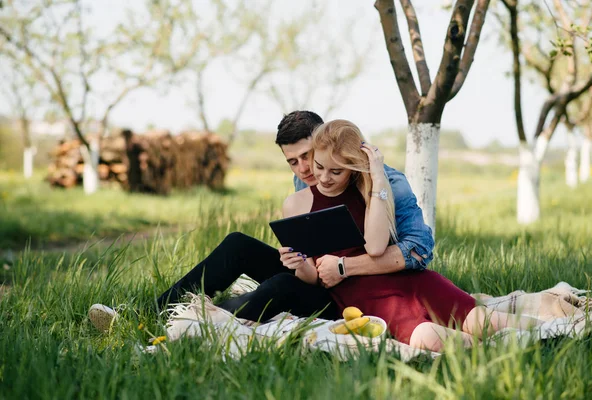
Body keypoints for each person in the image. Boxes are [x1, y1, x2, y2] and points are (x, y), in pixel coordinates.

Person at [88, 111, 434, 332]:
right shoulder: (309, 179)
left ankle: (199, 321)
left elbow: (420, 251)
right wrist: (297, 260)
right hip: (315, 279)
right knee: (239, 244)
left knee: (279, 288)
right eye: (292, 162)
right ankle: (149, 314)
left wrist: (344, 267)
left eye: (308, 158)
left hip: (355, 290)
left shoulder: (385, 183)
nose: (304, 170)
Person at [281, 119, 542, 351]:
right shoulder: (297, 203)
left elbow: (375, 247)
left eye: (336, 171)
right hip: (369, 301)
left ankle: (555, 332)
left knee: (486, 322)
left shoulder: (369, 191)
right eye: (319, 166)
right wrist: (299, 265)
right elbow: (314, 277)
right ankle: (501, 350)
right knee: (427, 338)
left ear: (352, 168)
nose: (324, 177)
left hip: (413, 283)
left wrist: (378, 179)